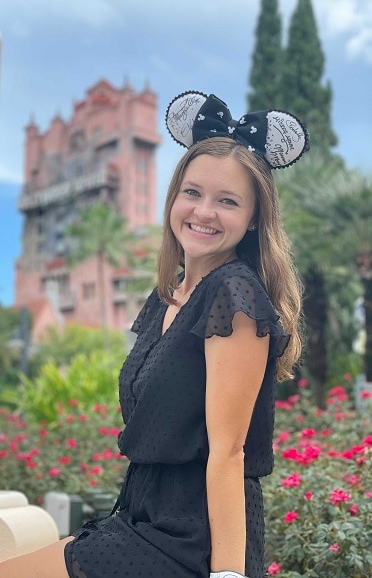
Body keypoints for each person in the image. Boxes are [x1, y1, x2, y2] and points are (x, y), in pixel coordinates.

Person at [0, 91, 309, 578]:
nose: (204, 212)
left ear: (253, 221)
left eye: (227, 201)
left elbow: (228, 453)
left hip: (192, 540)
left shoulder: (234, 294)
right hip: (143, 517)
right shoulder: (171, 294)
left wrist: (227, 575)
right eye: (193, 192)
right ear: (173, 199)